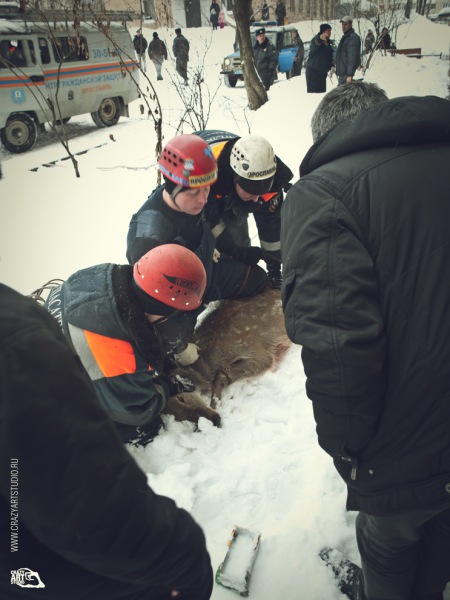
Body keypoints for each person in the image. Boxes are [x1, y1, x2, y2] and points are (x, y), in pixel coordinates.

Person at [281, 81, 450, 599]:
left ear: (325, 135)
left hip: (407, 444)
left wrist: (350, 449)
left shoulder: (325, 192)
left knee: (389, 544)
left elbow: (340, 346)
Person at [0, 282, 213, 600]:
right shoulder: (14, 333)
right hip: (38, 560)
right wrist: (184, 554)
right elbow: (86, 502)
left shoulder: (78, 292)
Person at [43, 245, 207, 446]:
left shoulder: (98, 276)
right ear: (162, 308)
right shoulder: (117, 355)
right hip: (43, 405)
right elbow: (136, 410)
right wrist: (168, 386)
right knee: (145, 426)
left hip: (39, 353)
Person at [127, 134, 269, 356]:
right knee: (179, 361)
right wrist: (177, 345)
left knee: (258, 280)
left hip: (207, 276)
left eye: (206, 190)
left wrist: (236, 251)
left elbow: (212, 227)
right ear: (172, 187)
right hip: (176, 302)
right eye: (194, 193)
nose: (203, 200)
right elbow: (148, 305)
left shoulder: (192, 204)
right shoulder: (149, 238)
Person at [195, 129, 293, 290]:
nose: (256, 198)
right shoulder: (207, 179)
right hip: (204, 178)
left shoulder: (271, 182)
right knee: (219, 247)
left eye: (261, 191)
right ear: (235, 177)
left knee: (239, 235)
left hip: (227, 184)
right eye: (251, 190)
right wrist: (236, 251)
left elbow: (272, 229)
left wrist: (275, 268)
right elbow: (209, 221)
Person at [305, 23, 334, 93]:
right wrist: (320, 38)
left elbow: (329, 58)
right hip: (313, 74)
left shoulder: (329, 45)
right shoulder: (316, 40)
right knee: (313, 96)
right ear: (323, 32)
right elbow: (316, 43)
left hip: (322, 75)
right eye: (328, 31)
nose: (329, 33)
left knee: (321, 95)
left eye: (330, 31)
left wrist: (332, 66)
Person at [335, 15, 361, 85]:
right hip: (343, 75)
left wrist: (350, 74)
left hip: (347, 76)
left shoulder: (353, 38)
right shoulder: (345, 38)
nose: (343, 26)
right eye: (342, 24)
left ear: (350, 24)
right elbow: (340, 55)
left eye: (345, 24)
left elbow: (352, 57)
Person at [253, 27, 278, 91]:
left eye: (263, 35)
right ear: (257, 37)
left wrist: (271, 71)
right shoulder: (256, 48)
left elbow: (274, 59)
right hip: (257, 73)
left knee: (266, 91)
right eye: (260, 36)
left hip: (266, 73)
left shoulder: (269, 46)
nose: (262, 37)